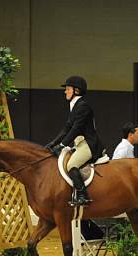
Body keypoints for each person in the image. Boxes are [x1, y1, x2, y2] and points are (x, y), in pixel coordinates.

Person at [45, 76, 106, 206]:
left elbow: (76, 129)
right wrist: (52, 143)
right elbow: (66, 129)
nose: (65, 92)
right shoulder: (75, 106)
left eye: (67, 89)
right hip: (79, 144)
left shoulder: (83, 106)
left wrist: (62, 145)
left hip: (88, 144)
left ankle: (83, 195)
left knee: (71, 165)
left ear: (76, 91)